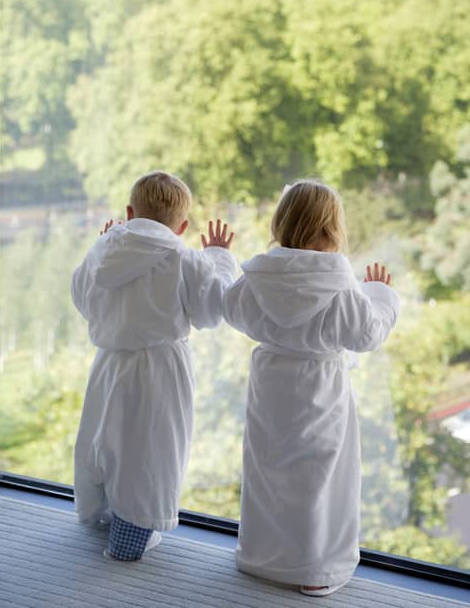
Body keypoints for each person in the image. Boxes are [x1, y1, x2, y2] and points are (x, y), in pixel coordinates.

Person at [223, 179, 400, 596]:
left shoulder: (259, 276)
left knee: (269, 471)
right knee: (317, 475)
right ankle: (314, 570)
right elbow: (367, 335)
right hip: (321, 389)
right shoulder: (340, 286)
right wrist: (381, 293)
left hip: (270, 386)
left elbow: (232, 308)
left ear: (282, 222)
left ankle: (262, 557)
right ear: (332, 228)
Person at [71, 171, 236, 561]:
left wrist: (102, 242)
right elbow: (213, 309)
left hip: (110, 362)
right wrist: (219, 257)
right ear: (182, 226)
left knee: (105, 439)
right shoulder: (183, 257)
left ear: (129, 212)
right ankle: (129, 542)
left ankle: (104, 514)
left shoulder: (103, 250)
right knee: (148, 454)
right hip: (160, 369)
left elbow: (81, 295)